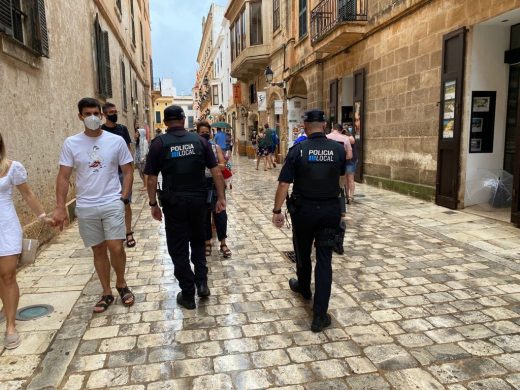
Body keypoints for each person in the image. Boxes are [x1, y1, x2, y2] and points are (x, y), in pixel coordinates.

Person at [53, 97, 135, 314]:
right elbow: (63, 177)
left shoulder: (115, 141)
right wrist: (60, 206)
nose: (91, 117)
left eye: (95, 113)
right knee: (98, 249)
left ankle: (121, 283)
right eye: (87, 114)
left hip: (111, 201)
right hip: (86, 205)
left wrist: (123, 197)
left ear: (101, 115)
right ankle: (106, 291)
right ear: (80, 116)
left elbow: (128, 170)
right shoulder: (71, 143)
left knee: (116, 247)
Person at [145, 106, 226, 310]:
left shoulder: (158, 144)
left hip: (174, 204)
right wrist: (221, 198)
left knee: (178, 248)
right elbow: (216, 171)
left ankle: (188, 293)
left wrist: (153, 203)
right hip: (199, 201)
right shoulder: (200, 142)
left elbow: (151, 178)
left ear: (165, 122)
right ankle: (202, 282)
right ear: (183, 119)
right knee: (199, 242)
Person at [272, 109, 346, 332]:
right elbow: (341, 179)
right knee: (324, 261)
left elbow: (284, 184)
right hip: (329, 210)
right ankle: (319, 315)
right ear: (324, 125)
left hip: (304, 211)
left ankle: (304, 287)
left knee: (302, 251)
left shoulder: (298, 150)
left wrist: (277, 210)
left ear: (305, 126)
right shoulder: (338, 150)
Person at [0, 132, 54, 349]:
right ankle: (7, 305)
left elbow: (28, 194)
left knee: (8, 273)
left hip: (6, 226)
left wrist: (43, 216)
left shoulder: (12, 167)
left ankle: (11, 325)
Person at [101, 102, 136, 248]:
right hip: (107, 175)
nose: (114, 114)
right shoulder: (100, 131)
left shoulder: (122, 129)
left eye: (115, 111)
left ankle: (128, 232)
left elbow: (128, 150)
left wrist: (130, 169)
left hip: (122, 174)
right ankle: (114, 233)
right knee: (108, 205)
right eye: (111, 112)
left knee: (125, 203)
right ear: (104, 114)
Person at [196, 121, 232, 259]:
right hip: (201, 184)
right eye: (202, 132)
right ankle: (207, 242)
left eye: (207, 132)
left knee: (220, 214)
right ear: (197, 133)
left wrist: (212, 166)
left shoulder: (215, 147)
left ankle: (223, 243)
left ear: (210, 133)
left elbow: (223, 165)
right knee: (204, 214)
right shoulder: (196, 147)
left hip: (216, 183)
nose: (205, 134)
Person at [134, 127, 149, 191]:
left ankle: (146, 186)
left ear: (141, 133)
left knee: (144, 172)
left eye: (137, 132)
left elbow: (145, 151)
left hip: (143, 160)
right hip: (138, 160)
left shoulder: (144, 141)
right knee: (141, 173)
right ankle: (145, 185)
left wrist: (142, 159)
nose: (136, 133)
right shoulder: (138, 141)